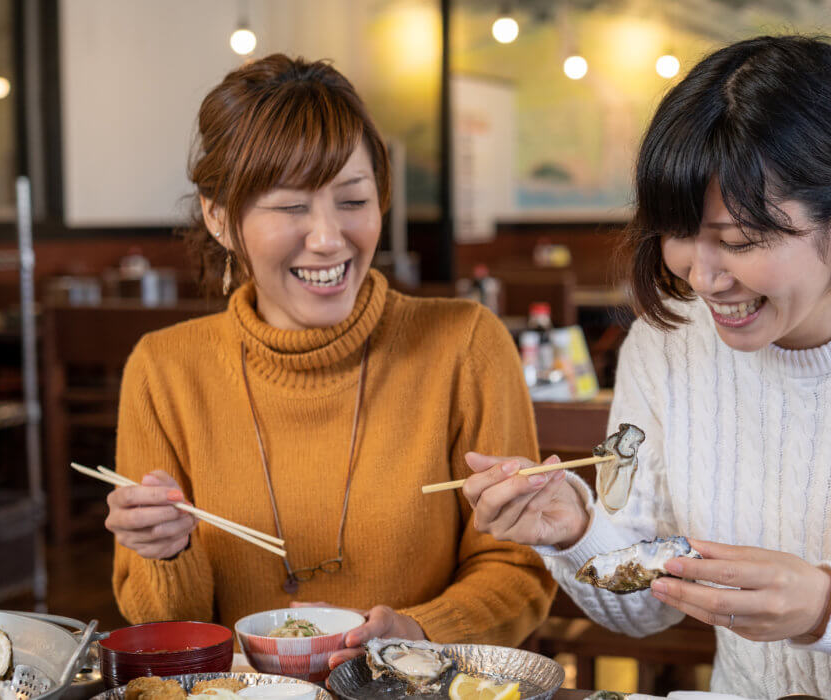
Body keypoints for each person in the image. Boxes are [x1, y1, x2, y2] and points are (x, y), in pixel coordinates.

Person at [460, 35, 831, 698]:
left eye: (742, 241)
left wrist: (828, 609)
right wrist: (576, 531)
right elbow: (644, 602)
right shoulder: (666, 347)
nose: (705, 276)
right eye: (681, 233)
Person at [104, 55, 554, 668]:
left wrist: (417, 634)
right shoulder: (164, 369)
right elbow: (170, 631)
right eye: (290, 207)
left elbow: (516, 570)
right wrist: (162, 551)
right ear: (218, 217)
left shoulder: (466, 345)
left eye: (353, 200)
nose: (327, 237)